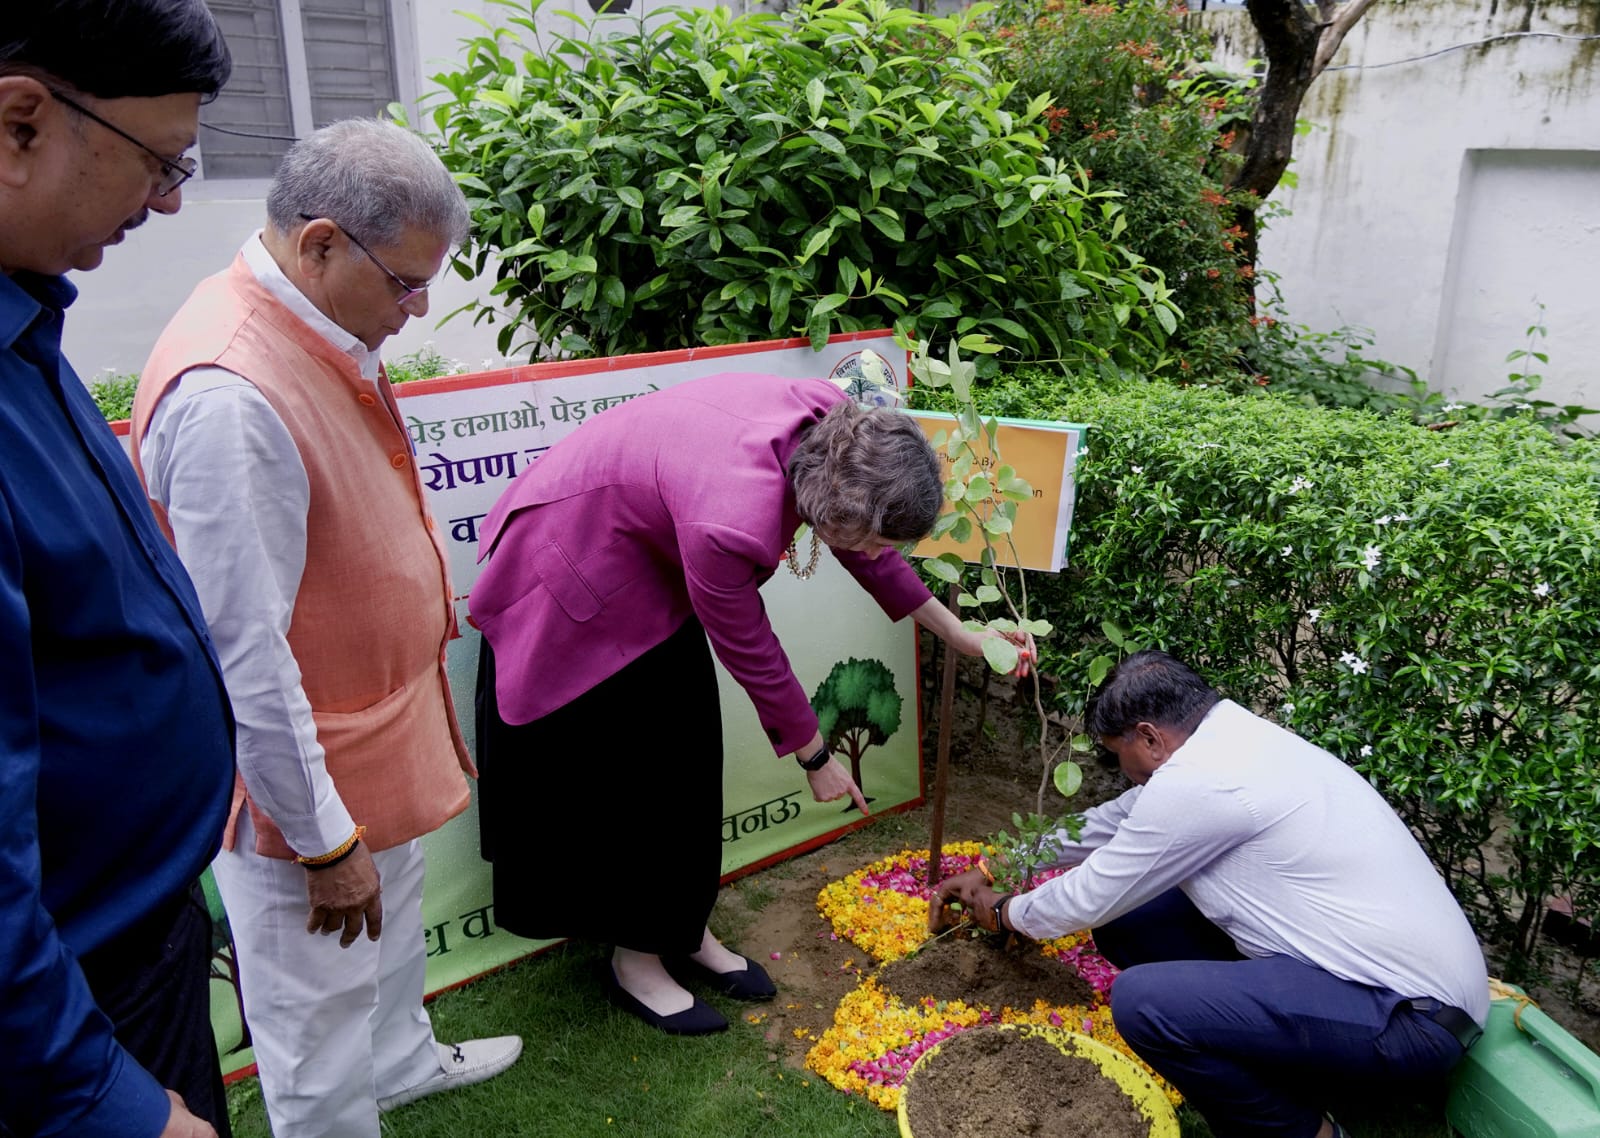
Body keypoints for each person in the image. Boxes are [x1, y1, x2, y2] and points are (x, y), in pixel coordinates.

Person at [129, 119, 521, 1138]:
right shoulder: (231, 395)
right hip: (302, 779)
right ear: (319, 245)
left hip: (363, 733)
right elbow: (241, 652)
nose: (419, 307)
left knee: (385, 951)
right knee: (314, 1015)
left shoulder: (317, 321)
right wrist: (318, 839)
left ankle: (402, 1061)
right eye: (404, 283)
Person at [471, 373, 1033, 1035]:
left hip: (649, 560)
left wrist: (960, 634)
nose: (880, 554)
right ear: (832, 515)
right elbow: (752, 648)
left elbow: (869, 553)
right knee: (632, 783)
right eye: (874, 538)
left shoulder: (841, 432)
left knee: (684, 762)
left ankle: (682, 930)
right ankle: (637, 961)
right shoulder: (729, 520)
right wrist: (815, 756)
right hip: (575, 575)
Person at [931, 649, 1489, 1138]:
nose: (1122, 772)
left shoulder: (1206, 783)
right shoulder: (1230, 740)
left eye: (1116, 753)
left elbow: (1090, 895)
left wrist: (1006, 914)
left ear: (1149, 737)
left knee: (1144, 1004)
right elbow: (1110, 824)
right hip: (1373, 979)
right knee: (1136, 922)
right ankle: (1275, 1052)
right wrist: (998, 863)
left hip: (1411, 1018)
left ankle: (1305, 1131)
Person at [0, 4, 239, 1137]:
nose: (172, 201)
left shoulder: (27, 324)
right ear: (20, 124)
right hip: (67, 1018)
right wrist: (101, 1096)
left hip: (131, 942)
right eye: (160, 161)